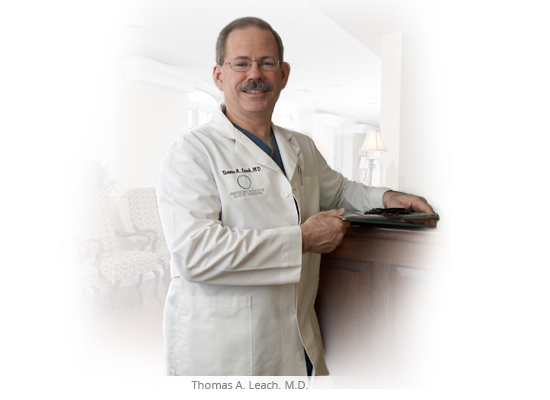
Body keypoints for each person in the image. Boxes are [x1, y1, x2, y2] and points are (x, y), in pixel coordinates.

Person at [156, 16, 435, 376]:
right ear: (218, 75)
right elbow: (195, 254)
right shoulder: (190, 153)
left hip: (297, 337)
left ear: (283, 74)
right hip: (225, 351)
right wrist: (302, 239)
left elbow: (340, 191)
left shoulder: (300, 145)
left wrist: (388, 196)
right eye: (240, 63)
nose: (254, 73)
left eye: (266, 63)